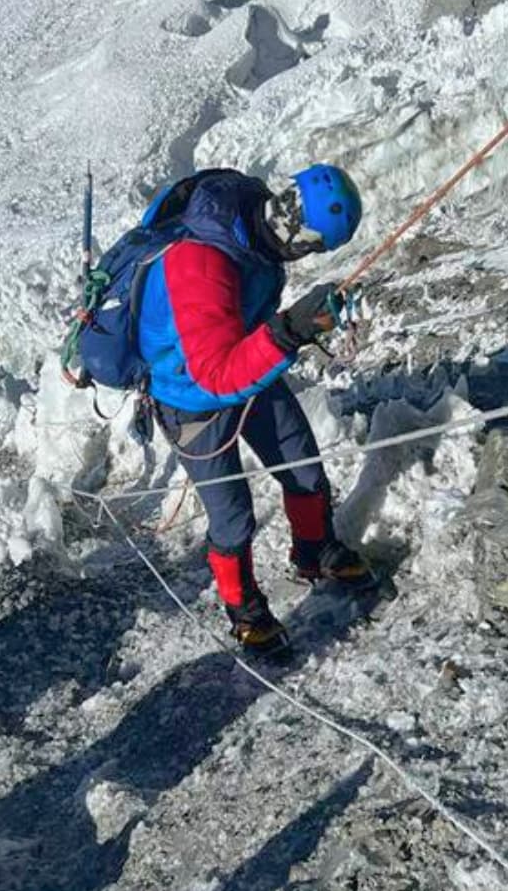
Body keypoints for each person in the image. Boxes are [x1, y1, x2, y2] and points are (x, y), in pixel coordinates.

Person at [135, 164, 374, 655]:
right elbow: (216, 375)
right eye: (312, 245)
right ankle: (244, 611)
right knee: (233, 517)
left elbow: (246, 323)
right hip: (191, 398)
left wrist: (291, 324)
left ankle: (314, 552)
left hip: (246, 364)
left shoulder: (256, 234)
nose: (308, 253)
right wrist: (292, 330)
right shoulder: (199, 263)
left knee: (303, 468)